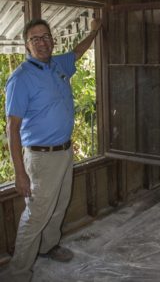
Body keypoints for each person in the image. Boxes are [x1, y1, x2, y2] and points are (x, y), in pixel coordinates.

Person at [2, 17, 102, 282]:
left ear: (53, 40)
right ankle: (18, 273)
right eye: (35, 39)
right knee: (35, 216)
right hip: (40, 158)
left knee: (59, 205)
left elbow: (78, 52)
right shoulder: (20, 78)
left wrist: (94, 32)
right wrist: (20, 174)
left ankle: (48, 247)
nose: (42, 42)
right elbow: (12, 129)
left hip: (64, 152)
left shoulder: (58, 64)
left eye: (46, 36)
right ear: (26, 45)